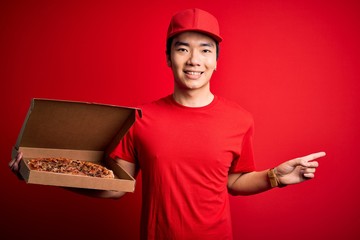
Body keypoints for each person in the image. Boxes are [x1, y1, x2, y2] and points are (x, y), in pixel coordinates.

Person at [9, 8, 326, 240]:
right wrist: (43, 174)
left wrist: (276, 178)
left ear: (216, 61)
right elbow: (116, 188)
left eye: (205, 50)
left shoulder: (240, 119)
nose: (193, 59)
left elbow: (232, 182)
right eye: (182, 48)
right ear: (168, 57)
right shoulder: (140, 118)